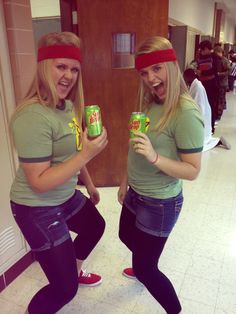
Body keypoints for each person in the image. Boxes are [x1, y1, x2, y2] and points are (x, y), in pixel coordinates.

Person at [9, 32, 108, 314]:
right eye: (61, 67)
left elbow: (72, 154)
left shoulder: (65, 107)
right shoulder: (32, 115)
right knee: (64, 291)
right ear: (44, 67)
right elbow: (39, 183)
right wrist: (87, 154)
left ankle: (72, 272)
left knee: (95, 227)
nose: (69, 75)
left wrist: (89, 184)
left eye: (74, 69)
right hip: (36, 207)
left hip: (64, 195)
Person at [118, 36, 204, 314]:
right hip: (136, 193)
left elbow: (192, 171)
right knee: (124, 235)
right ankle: (145, 261)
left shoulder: (186, 112)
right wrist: (124, 181)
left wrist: (155, 156)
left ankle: (173, 308)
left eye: (156, 69)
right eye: (144, 72)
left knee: (146, 269)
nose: (150, 78)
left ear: (171, 66)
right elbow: (134, 148)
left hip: (160, 203)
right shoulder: (149, 103)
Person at [183, 68, 231, 151]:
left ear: (189, 77)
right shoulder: (194, 85)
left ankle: (218, 142)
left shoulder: (198, 87)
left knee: (199, 144)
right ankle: (217, 141)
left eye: (185, 78)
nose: (185, 80)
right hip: (197, 115)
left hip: (201, 116)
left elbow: (200, 105)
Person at [197, 40, 218, 133]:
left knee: (210, 107)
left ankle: (210, 127)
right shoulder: (200, 57)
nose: (201, 51)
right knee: (201, 105)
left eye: (202, 49)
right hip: (202, 84)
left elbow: (214, 71)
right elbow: (197, 66)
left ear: (207, 49)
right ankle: (202, 125)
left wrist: (202, 72)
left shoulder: (215, 57)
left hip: (212, 86)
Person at [213, 46, 231, 118]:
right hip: (216, 83)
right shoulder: (215, 59)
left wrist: (219, 74)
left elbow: (228, 71)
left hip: (222, 83)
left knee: (220, 99)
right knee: (217, 98)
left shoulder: (224, 60)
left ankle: (219, 113)